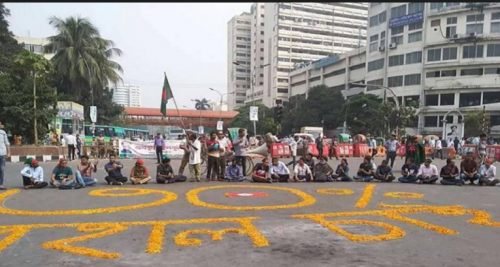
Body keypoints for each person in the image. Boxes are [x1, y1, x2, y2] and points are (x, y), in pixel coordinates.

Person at [0, 120, 11, 190]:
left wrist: (9, 152)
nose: (1, 125)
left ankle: (0, 184)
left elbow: (7, 143)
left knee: (1, 169)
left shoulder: (3, 133)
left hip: (2, 154)